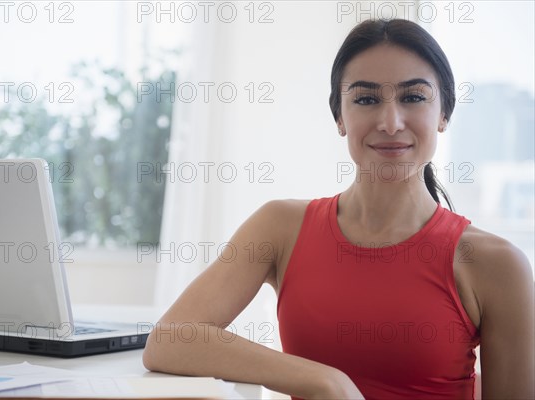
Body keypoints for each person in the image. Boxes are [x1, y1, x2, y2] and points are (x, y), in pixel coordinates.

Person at [142, 18, 534, 399]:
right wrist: (323, 381)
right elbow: (170, 339)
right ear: (339, 118)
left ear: (444, 114)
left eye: (413, 97)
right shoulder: (280, 227)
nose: (391, 122)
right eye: (365, 99)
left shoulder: (495, 263)